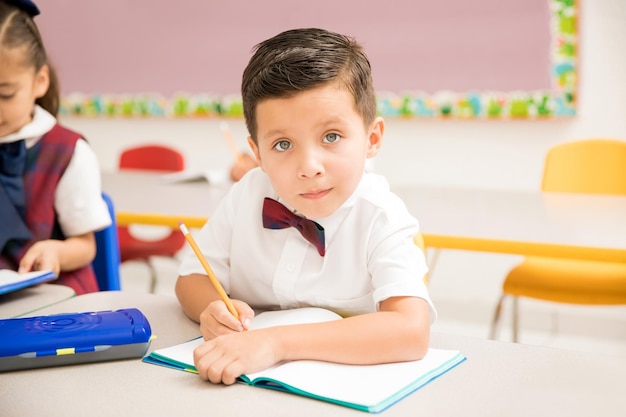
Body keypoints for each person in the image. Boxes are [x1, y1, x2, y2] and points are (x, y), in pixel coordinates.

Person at [175, 28, 435, 385]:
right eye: (283, 144)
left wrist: (273, 343)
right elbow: (192, 278)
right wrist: (211, 309)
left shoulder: (381, 215)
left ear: (371, 139)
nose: (309, 166)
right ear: (257, 154)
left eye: (331, 137)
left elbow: (410, 330)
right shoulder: (247, 194)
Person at [0, 0, 111, 294]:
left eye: (5, 94)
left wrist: (56, 253)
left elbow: (85, 246)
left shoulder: (67, 151)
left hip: (53, 302)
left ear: (40, 81)